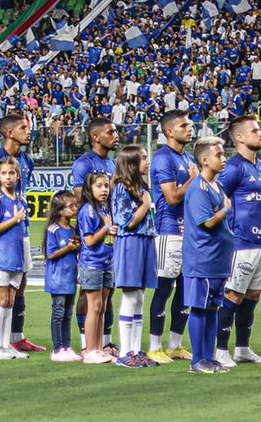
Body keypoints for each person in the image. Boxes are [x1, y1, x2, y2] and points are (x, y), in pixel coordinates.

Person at [0, 112, 44, 353]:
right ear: (9, 133)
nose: (29, 131)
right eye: (24, 127)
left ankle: (16, 336)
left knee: (20, 282)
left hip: (21, 229)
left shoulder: (26, 161)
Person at [215, 115, 261, 367]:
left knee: (252, 296)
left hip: (260, 243)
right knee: (233, 295)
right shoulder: (233, 167)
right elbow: (216, 198)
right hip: (240, 243)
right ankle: (219, 350)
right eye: (255, 130)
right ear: (239, 137)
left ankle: (243, 348)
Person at [180, 137, 233, 374]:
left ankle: (209, 358)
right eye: (219, 155)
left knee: (212, 308)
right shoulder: (199, 188)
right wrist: (224, 210)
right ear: (204, 160)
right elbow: (208, 222)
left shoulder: (217, 186)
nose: (224, 159)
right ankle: (197, 360)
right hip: (202, 258)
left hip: (218, 259)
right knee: (199, 308)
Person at [148, 110, 197, 363]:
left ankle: (175, 345)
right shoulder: (163, 158)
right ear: (169, 131)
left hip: (187, 231)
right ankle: (155, 346)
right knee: (164, 288)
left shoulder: (186, 156)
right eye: (183, 125)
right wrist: (192, 180)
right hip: (168, 230)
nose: (189, 128)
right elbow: (172, 197)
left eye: (189, 124)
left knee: (186, 290)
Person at [70, 118, 118, 349]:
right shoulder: (83, 164)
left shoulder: (113, 164)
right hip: (92, 235)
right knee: (87, 292)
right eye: (110, 132)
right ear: (96, 137)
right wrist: (99, 227)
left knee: (108, 292)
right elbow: (81, 200)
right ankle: (85, 341)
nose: (115, 135)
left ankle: (105, 341)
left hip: (110, 234)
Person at [111, 145, 159, 368]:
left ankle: (137, 350)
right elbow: (125, 221)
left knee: (139, 297)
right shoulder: (121, 187)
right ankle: (125, 352)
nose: (147, 162)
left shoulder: (142, 186)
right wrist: (145, 203)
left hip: (146, 240)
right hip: (131, 242)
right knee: (130, 296)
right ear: (130, 163)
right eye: (142, 158)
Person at [0, 158, 30, 360]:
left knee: (10, 300)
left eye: (12, 173)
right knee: (1, 299)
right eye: (4, 173)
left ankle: (5, 344)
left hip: (15, 257)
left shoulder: (20, 201)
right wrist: (14, 219)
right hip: (0, 257)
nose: (8, 177)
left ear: (17, 176)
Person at [76, 172, 116, 364]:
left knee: (103, 305)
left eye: (106, 186)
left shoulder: (105, 208)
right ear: (90, 189)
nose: (104, 190)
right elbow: (90, 241)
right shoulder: (88, 210)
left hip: (107, 261)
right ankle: (90, 350)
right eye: (99, 186)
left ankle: (99, 348)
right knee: (95, 306)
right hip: (92, 263)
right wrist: (107, 228)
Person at [44, 190, 81, 362]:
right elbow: (50, 254)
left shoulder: (73, 229)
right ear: (60, 210)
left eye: (76, 205)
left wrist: (77, 247)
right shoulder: (53, 230)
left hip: (70, 277)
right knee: (58, 313)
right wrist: (68, 248)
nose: (75, 208)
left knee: (68, 314)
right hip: (58, 279)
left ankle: (67, 346)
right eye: (71, 206)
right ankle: (57, 348)